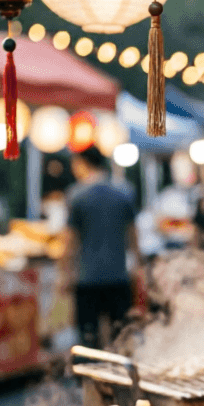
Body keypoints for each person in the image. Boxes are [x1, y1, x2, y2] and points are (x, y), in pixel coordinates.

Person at [66, 145, 138, 348]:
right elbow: (133, 234)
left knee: (89, 339)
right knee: (121, 337)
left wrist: (64, 273)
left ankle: (91, 379)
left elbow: (71, 240)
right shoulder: (124, 191)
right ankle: (120, 377)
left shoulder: (77, 195)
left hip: (87, 278)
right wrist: (139, 266)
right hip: (119, 276)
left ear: (82, 163)